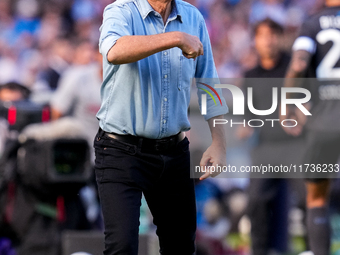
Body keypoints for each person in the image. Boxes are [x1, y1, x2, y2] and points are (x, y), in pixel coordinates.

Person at [95, 0, 228, 254]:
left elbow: (209, 83)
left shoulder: (193, 17)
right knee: (121, 246)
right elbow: (113, 50)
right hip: (120, 150)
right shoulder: (121, 10)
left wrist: (219, 142)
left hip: (174, 151)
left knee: (181, 247)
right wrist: (175, 37)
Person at [238, 18, 305, 255]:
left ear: (280, 37)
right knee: (256, 199)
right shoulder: (250, 75)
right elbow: (247, 118)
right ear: (255, 40)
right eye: (262, 35)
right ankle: (260, 250)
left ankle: (311, 249)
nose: (268, 40)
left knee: (310, 197)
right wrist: (244, 127)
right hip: (266, 149)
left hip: (298, 147)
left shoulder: (294, 69)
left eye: (273, 34)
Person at [281, 0, 340, 254]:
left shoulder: (312, 23)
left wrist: (287, 101)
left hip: (323, 123)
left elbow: (298, 64)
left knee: (317, 198)